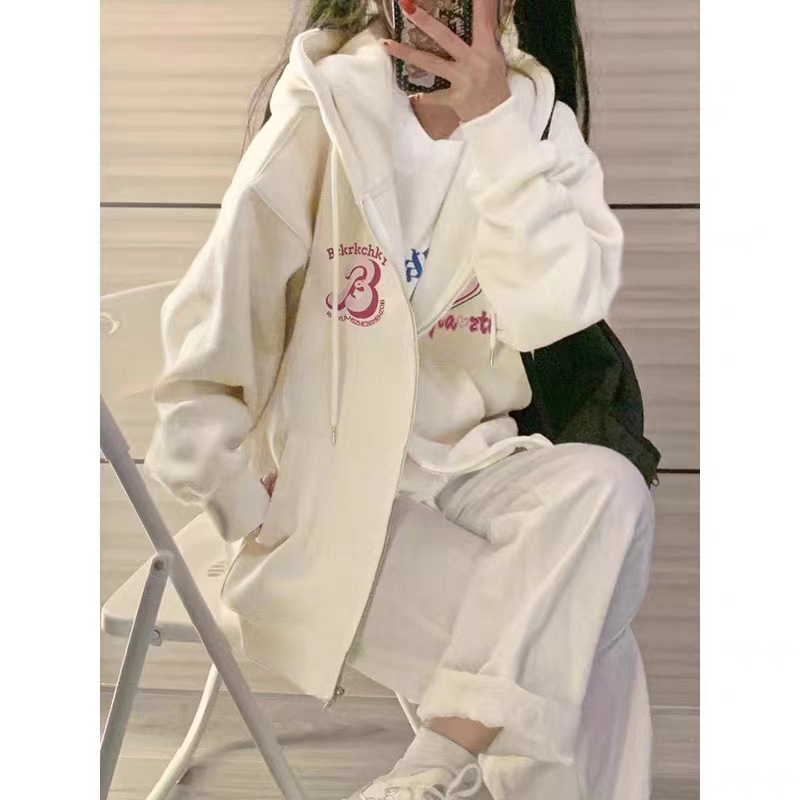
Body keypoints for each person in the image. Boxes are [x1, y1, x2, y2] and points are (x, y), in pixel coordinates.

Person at [143, 0, 657, 798]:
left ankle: (428, 770)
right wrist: (246, 506)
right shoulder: (319, 124)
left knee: (607, 487)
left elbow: (551, 312)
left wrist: (496, 128)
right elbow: (208, 350)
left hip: (471, 474)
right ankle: (439, 767)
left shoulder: (536, 130)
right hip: (338, 506)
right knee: (583, 643)